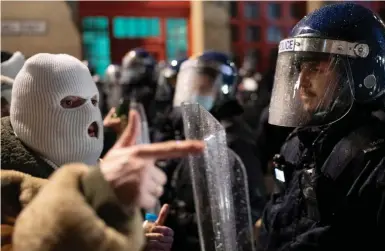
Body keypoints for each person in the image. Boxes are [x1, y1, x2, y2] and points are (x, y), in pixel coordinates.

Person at [1, 53, 205, 251]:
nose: (88, 112)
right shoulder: (7, 192)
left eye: (93, 102)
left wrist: (134, 241)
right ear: (31, 112)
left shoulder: (95, 167)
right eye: (70, 102)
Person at [258, 3, 385, 251]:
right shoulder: (298, 144)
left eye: (316, 68)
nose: (301, 83)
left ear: (359, 72)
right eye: (300, 68)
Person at [162, 51, 267, 251]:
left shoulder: (234, 140)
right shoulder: (201, 130)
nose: (193, 93)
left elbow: (247, 210)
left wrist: (184, 221)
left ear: (223, 90)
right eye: (191, 86)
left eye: (202, 87)